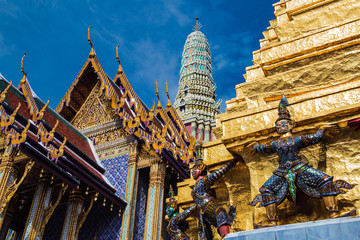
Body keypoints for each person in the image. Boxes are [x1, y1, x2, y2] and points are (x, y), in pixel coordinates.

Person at [248, 95, 356, 228]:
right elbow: (263, 148)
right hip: (282, 171)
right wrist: (254, 146)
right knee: (266, 189)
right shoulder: (275, 143)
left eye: (283, 124)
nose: (280, 127)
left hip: (300, 168)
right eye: (278, 125)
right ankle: (272, 221)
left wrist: (322, 129)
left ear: (291, 124)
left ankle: (333, 212)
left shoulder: (297, 139)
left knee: (325, 180)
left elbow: (314, 138)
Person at [191, 154, 240, 239]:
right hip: (203, 210)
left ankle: (225, 236)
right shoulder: (196, 186)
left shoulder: (204, 180)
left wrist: (233, 162)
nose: (193, 171)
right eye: (193, 169)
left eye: (196, 169)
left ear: (202, 169)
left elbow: (219, 172)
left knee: (220, 212)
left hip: (207, 206)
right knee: (219, 214)